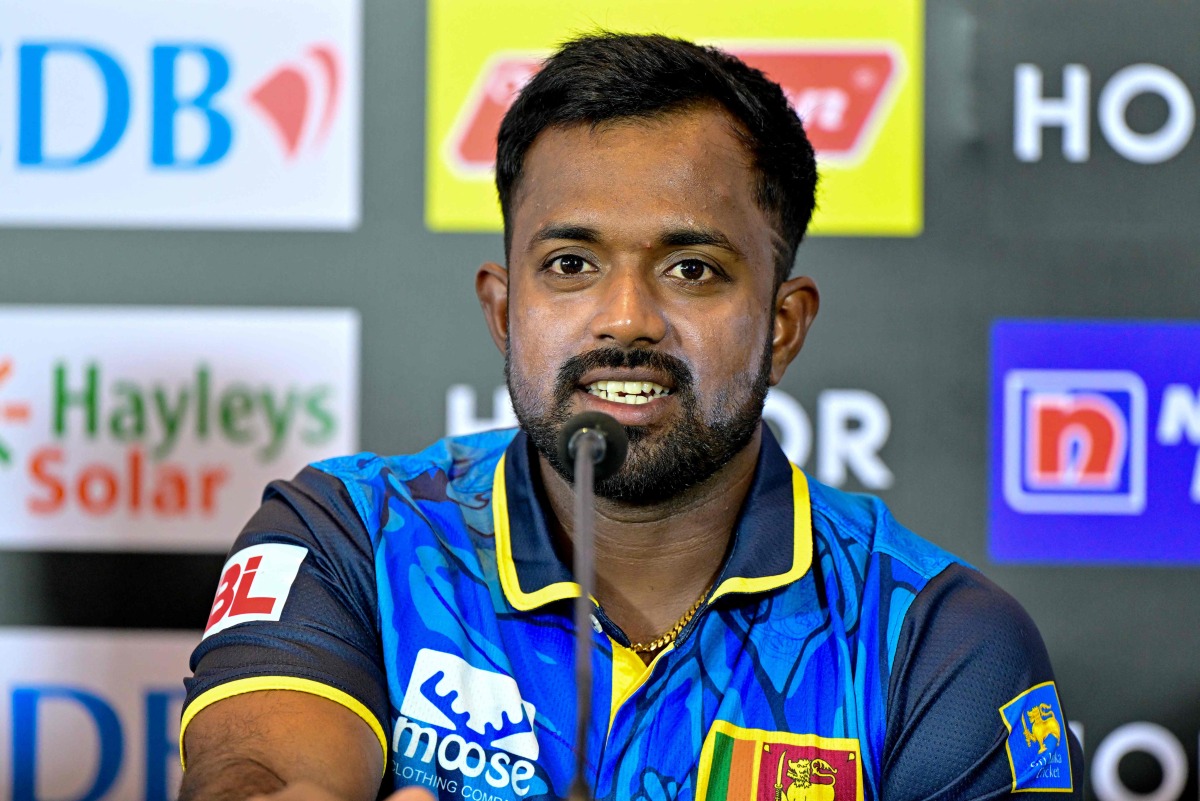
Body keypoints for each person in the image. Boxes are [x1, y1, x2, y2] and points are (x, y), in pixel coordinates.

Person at [179, 32, 1083, 801]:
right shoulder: (352, 535)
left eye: (692, 268)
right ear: (504, 310)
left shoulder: (935, 640)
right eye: (570, 264)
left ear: (782, 324)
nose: (625, 317)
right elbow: (258, 766)